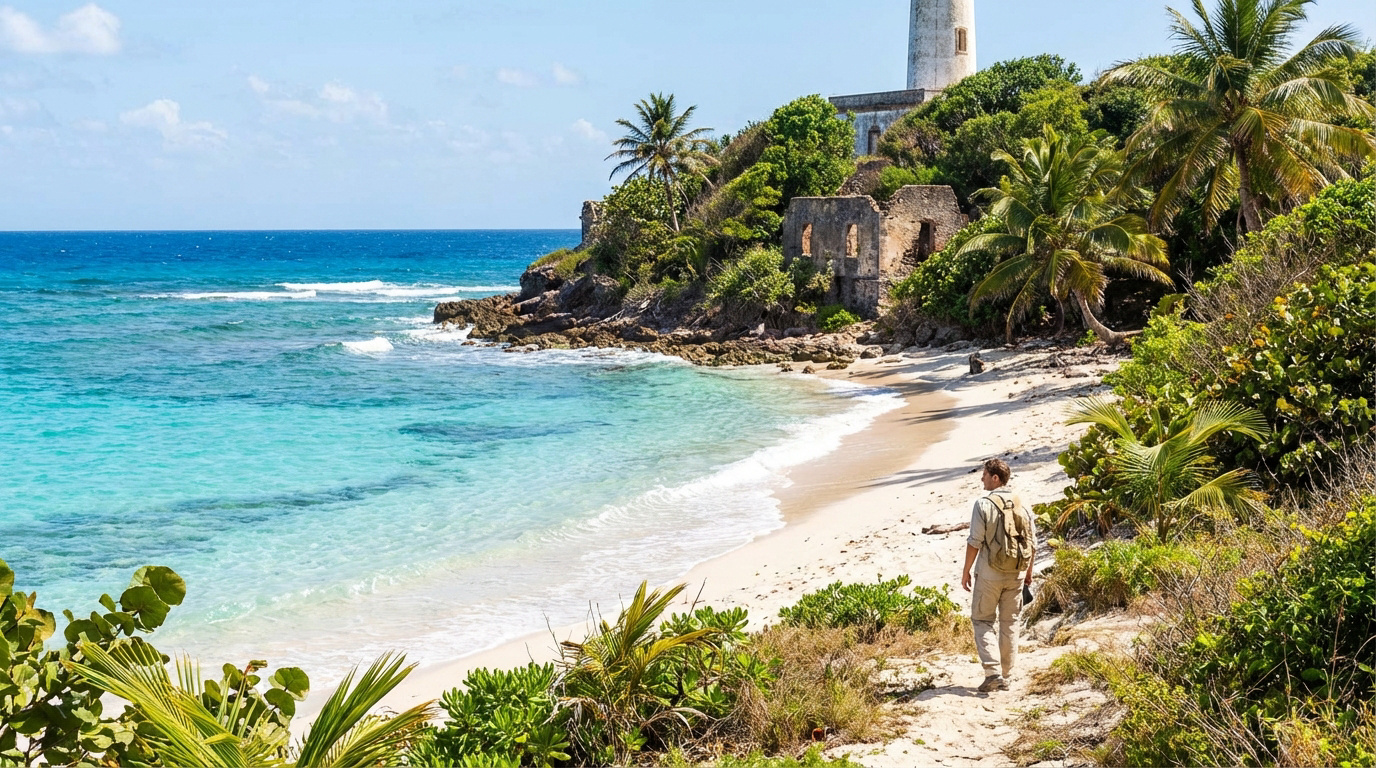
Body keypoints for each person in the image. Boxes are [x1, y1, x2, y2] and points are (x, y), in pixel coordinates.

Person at [960, 458, 1036, 693]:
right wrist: (1028, 574)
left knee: (982, 620)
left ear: (995, 478)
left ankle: (992, 672)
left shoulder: (982, 504)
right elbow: (1032, 543)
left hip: (990, 574)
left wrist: (966, 571)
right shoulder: (1023, 504)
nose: (981, 478)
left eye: (984, 474)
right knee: (1010, 623)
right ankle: (1007, 675)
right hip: (1016, 573)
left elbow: (975, 541)